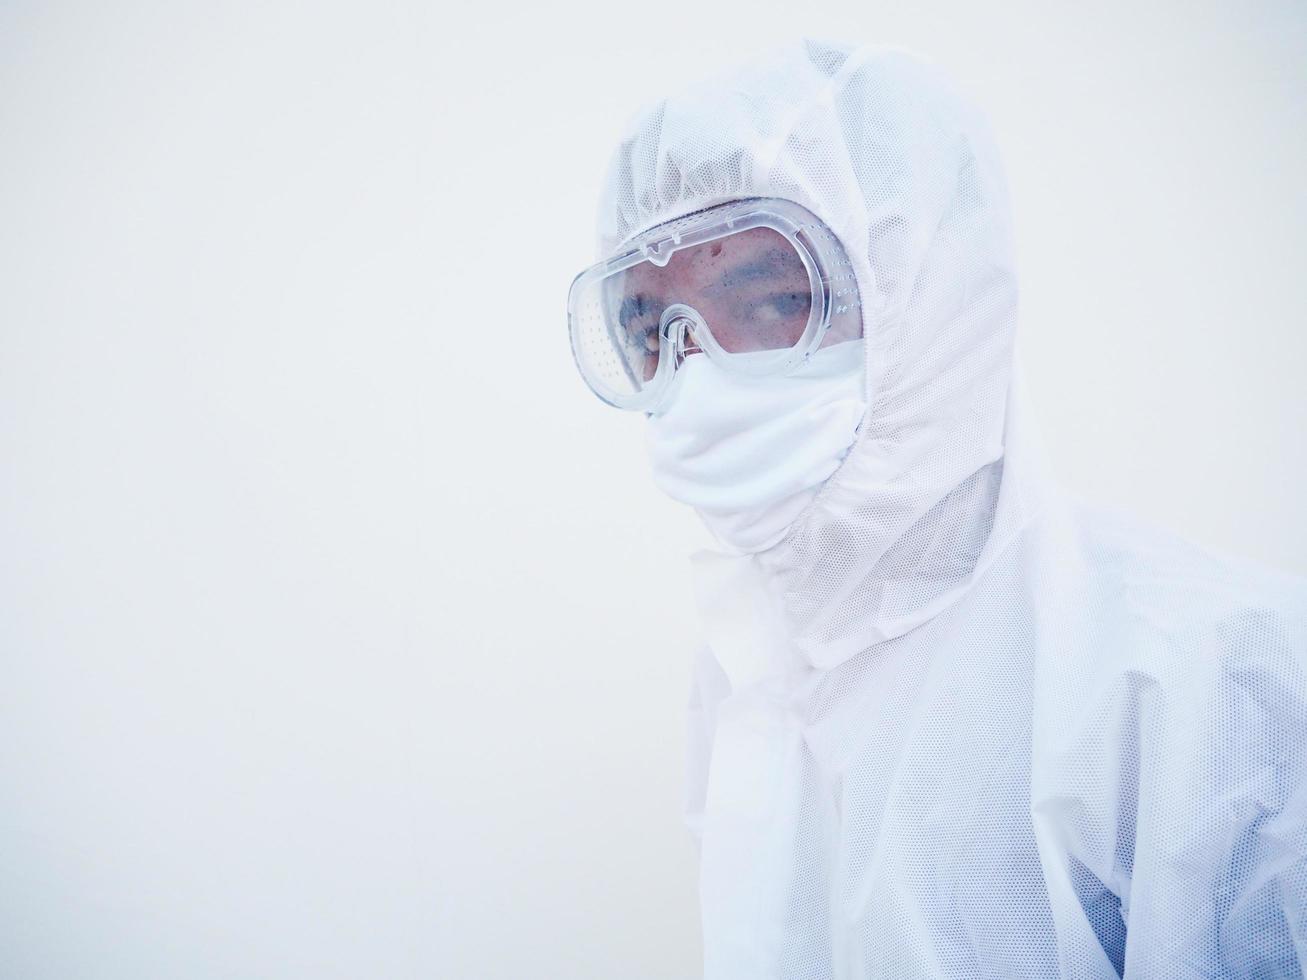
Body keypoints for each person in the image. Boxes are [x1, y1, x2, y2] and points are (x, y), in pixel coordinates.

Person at [566, 39, 1307, 979]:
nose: (700, 371)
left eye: (772, 299)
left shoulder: (1220, 689)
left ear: (929, 293)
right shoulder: (744, 672)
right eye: (649, 328)